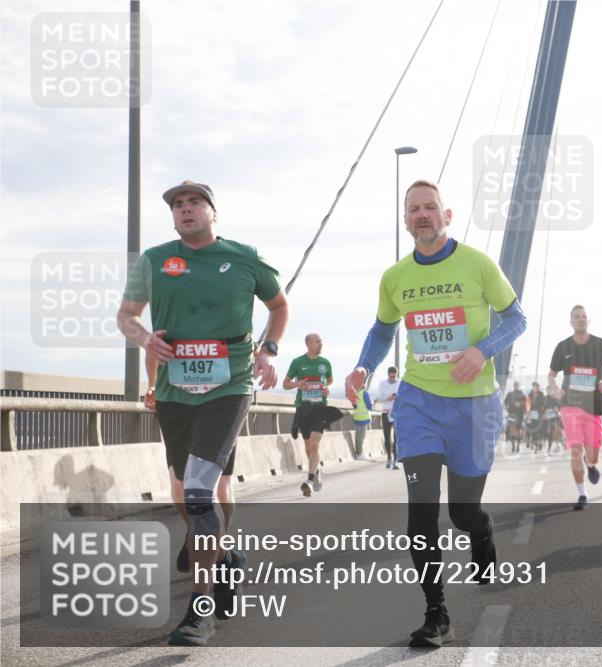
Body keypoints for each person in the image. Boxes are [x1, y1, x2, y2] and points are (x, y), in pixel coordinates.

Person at [344, 180, 526, 648]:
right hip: (418, 403)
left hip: (473, 406)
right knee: (421, 514)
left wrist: (482, 351)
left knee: (463, 512)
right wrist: (364, 365)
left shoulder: (478, 264)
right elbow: (383, 329)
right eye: (413, 209)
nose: (422, 215)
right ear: (406, 220)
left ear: (447, 215)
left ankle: (480, 532)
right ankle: (436, 614)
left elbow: (516, 319)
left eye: (430, 208)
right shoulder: (395, 277)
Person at [118, 180, 287, 646]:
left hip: (229, 386)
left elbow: (278, 305)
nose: (185, 209)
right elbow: (127, 315)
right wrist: (143, 338)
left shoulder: (245, 257)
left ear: (213, 211)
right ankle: (224, 554)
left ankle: (201, 609)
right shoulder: (154, 260)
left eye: (194, 202)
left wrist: (269, 349)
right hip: (176, 392)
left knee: (199, 491)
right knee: (181, 489)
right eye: (177, 204)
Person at [145, 351, 238, 573]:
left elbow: (247, 356)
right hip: (178, 411)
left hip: (220, 411)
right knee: (179, 491)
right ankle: (198, 535)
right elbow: (151, 349)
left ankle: (221, 549)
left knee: (219, 491)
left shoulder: (229, 324)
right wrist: (152, 384)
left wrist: (261, 354)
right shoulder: (172, 324)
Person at [548, 305, 602, 510]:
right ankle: (582, 494)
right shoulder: (563, 347)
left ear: (589, 321)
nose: (581, 319)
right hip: (570, 405)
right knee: (576, 449)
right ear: (571, 322)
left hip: (594, 406)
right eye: (576, 317)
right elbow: (552, 374)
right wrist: (555, 390)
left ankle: (592, 465)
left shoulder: (600, 344)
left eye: (584, 317)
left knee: (593, 455)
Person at [284, 333, 333, 496]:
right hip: (303, 408)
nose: (321, 344)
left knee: (315, 444)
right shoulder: (297, 362)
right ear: (309, 344)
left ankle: (310, 480)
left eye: (321, 341)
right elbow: (285, 384)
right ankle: (316, 470)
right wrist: (299, 384)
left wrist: (328, 389)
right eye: (318, 341)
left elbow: (330, 380)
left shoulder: (325, 363)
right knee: (307, 446)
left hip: (320, 407)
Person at [375, 366, 401, 469]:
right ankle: (389, 457)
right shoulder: (382, 384)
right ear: (388, 375)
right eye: (390, 377)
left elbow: (404, 397)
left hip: (397, 413)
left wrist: (396, 397)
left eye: (394, 377)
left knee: (396, 437)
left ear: (396, 375)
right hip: (386, 413)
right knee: (387, 437)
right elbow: (379, 399)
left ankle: (395, 460)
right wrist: (388, 398)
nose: (392, 379)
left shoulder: (400, 383)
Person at [350, 386, 374, 460]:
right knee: (361, 437)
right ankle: (359, 454)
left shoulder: (354, 392)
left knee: (358, 436)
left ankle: (358, 453)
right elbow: (370, 406)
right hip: (364, 417)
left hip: (357, 416)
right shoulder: (364, 393)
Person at [504, 381, 527, 453]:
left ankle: (518, 446)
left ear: (519, 386)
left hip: (519, 414)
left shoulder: (522, 394)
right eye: (515, 385)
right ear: (513, 386)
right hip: (511, 414)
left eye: (517, 385)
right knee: (510, 430)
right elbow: (505, 402)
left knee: (518, 430)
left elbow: (526, 403)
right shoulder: (510, 394)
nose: (516, 386)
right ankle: (513, 446)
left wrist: (520, 404)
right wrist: (507, 407)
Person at [525, 381, 546, 452]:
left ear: (538, 387)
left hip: (539, 413)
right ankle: (533, 443)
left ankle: (539, 442)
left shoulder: (541, 394)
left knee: (540, 428)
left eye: (536, 387)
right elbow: (527, 404)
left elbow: (544, 403)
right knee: (532, 428)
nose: (534, 388)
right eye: (533, 387)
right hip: (531, 414)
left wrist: (542, 409)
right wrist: (527, 412)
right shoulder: (529, 395)